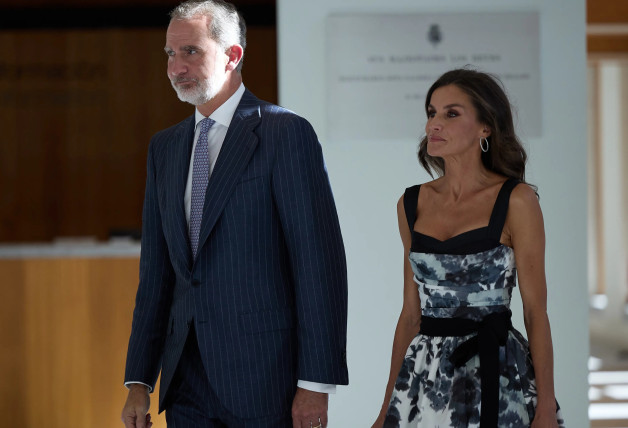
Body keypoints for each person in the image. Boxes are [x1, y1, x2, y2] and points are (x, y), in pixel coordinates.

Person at [120, 1, 348, 427]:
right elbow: (156, 276)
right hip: (184, 381)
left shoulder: (285, 134)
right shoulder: (164, 149)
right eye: (170, 54)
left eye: (191, 52)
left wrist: (315, 385)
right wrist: (139, 382)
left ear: (233, 55)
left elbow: (319, 266)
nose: (175, 68)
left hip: (266, 381)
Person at [371, 68, 565, 427]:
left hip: (499, 374)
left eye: (451, 113)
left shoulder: (517, 201)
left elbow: (536, 313)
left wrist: (545, 409)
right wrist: (386, 409)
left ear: (485, 127)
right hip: (426, 379)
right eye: (431, 113)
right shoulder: (410, 203)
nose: (434, 124)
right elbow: (410, 316)